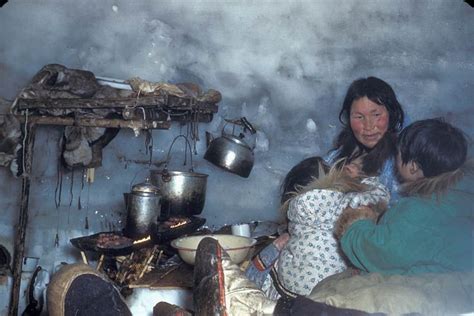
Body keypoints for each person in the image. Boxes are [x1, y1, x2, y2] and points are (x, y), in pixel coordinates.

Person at [336, 118, 473, 274]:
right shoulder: (463, 195)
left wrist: (355, 225)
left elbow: (380, 253)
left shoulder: (419, 209)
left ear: (413, 167)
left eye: (398, 154)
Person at [246, 155, 390, 299]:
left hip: (291, 288)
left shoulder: (296, 207)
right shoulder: (346, 202)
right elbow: (380, 194)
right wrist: (358, 177)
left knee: (273, 257)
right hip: (331, 291)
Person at [325, 76, 405, 203]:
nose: (368, 126)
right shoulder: (335, 158)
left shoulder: (401, 163)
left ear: (391, 114)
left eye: (376, 115)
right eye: (359, 117)